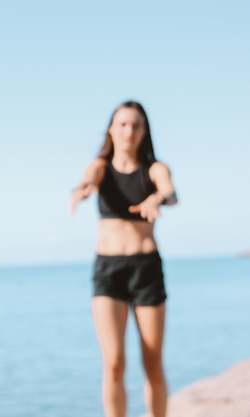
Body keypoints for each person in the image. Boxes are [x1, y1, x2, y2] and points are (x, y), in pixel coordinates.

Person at [70, 100, 178, 417]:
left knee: (153, 363)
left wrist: (157, 198)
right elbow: (88, 178)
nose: (129, 131)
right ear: (111, 130)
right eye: (122, 124)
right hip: (108, 270)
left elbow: (171, 193)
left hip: (147, 269)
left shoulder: (156, 170)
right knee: (114, 362)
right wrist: (82, 189)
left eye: (136, 125)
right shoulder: (100, 167)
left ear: (144, 131)